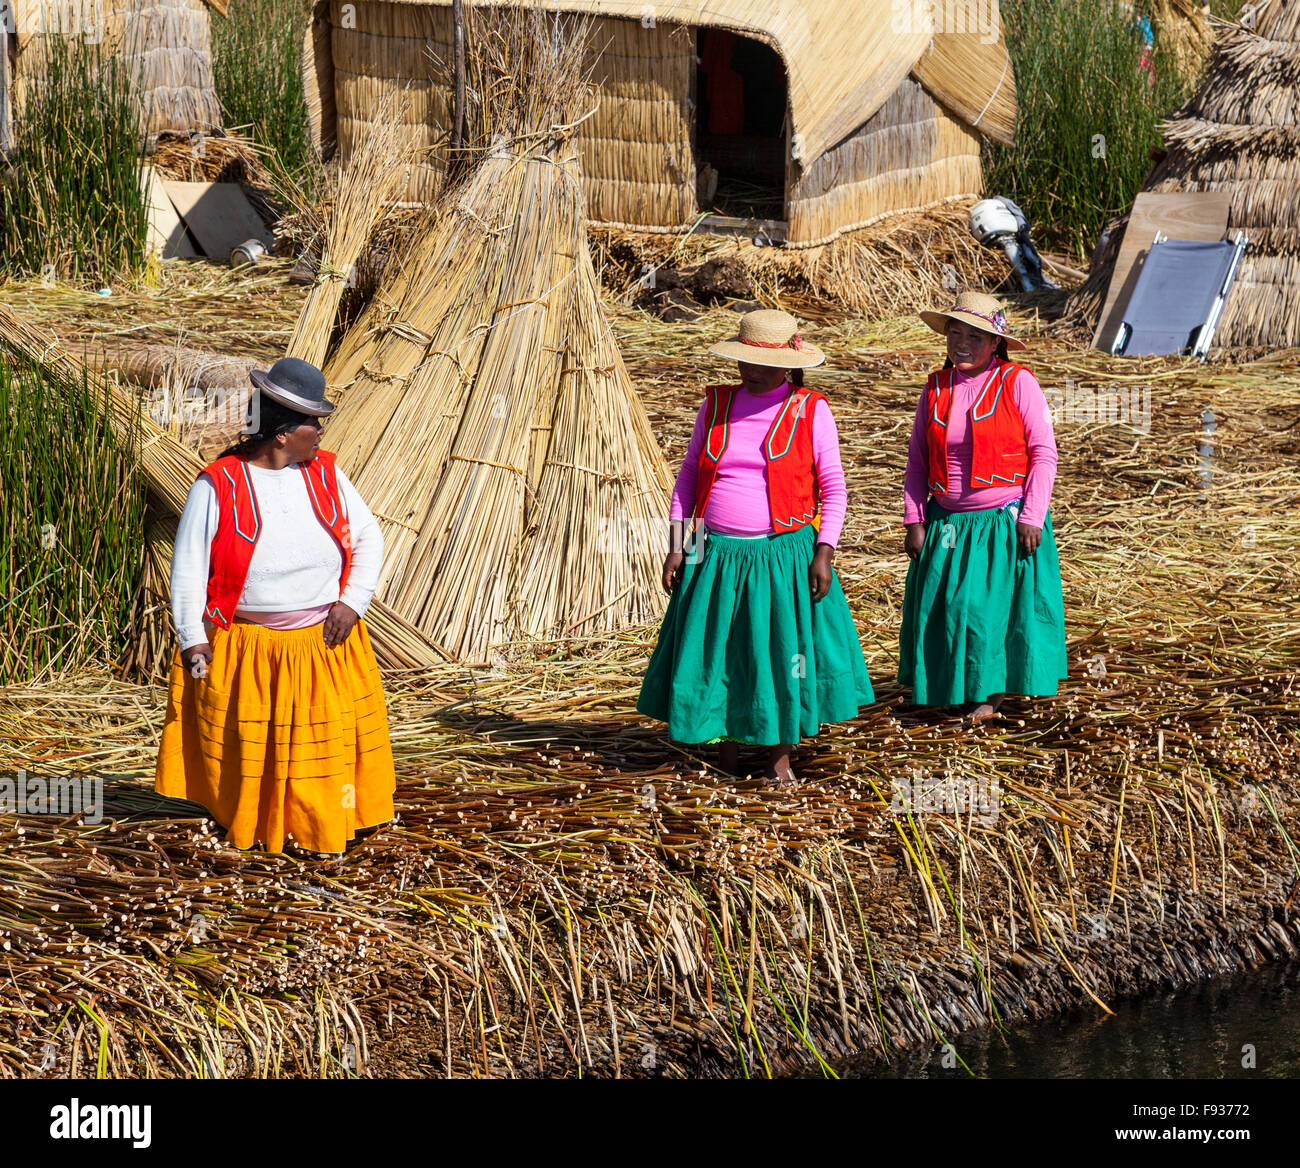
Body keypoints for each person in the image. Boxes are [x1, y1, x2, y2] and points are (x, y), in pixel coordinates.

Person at [154, 357, 395, 853]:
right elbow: (189, 568)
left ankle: (318, 829)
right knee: (254, 750)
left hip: (324, 643)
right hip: (248, 649)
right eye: (314, 423)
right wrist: (191, 639)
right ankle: (255, 823)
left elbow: (368, 538)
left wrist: (352, 602)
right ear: (283, 433)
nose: (321, 433)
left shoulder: (326, 476)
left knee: (323, 749)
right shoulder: (218, 485)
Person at [637, 310, 874, 785]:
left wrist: (824, 552)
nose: (753, 371)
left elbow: (834, 487)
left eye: (764, 363)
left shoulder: (810, 409)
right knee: (721, 650)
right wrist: (677, 545)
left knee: (781, 651)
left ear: (789, 363)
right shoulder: (717, 405)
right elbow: (688, 478)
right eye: (746, 361)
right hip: (714, 551)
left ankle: (777, 757)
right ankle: (725, 750)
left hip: (781, 554)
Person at [899, 291, 1068, 722]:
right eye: (956, 333)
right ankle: (952, 688)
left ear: (995, 344)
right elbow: (918, 459)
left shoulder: (1017, 382)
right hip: (948, 522)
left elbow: (1044, 452)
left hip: (1000, 521)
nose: (962, 343)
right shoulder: (935, 388)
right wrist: (915, 518)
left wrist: (1032, 515)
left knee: (984, 612)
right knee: (945, 610)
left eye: (976, 336)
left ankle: (987, 697)